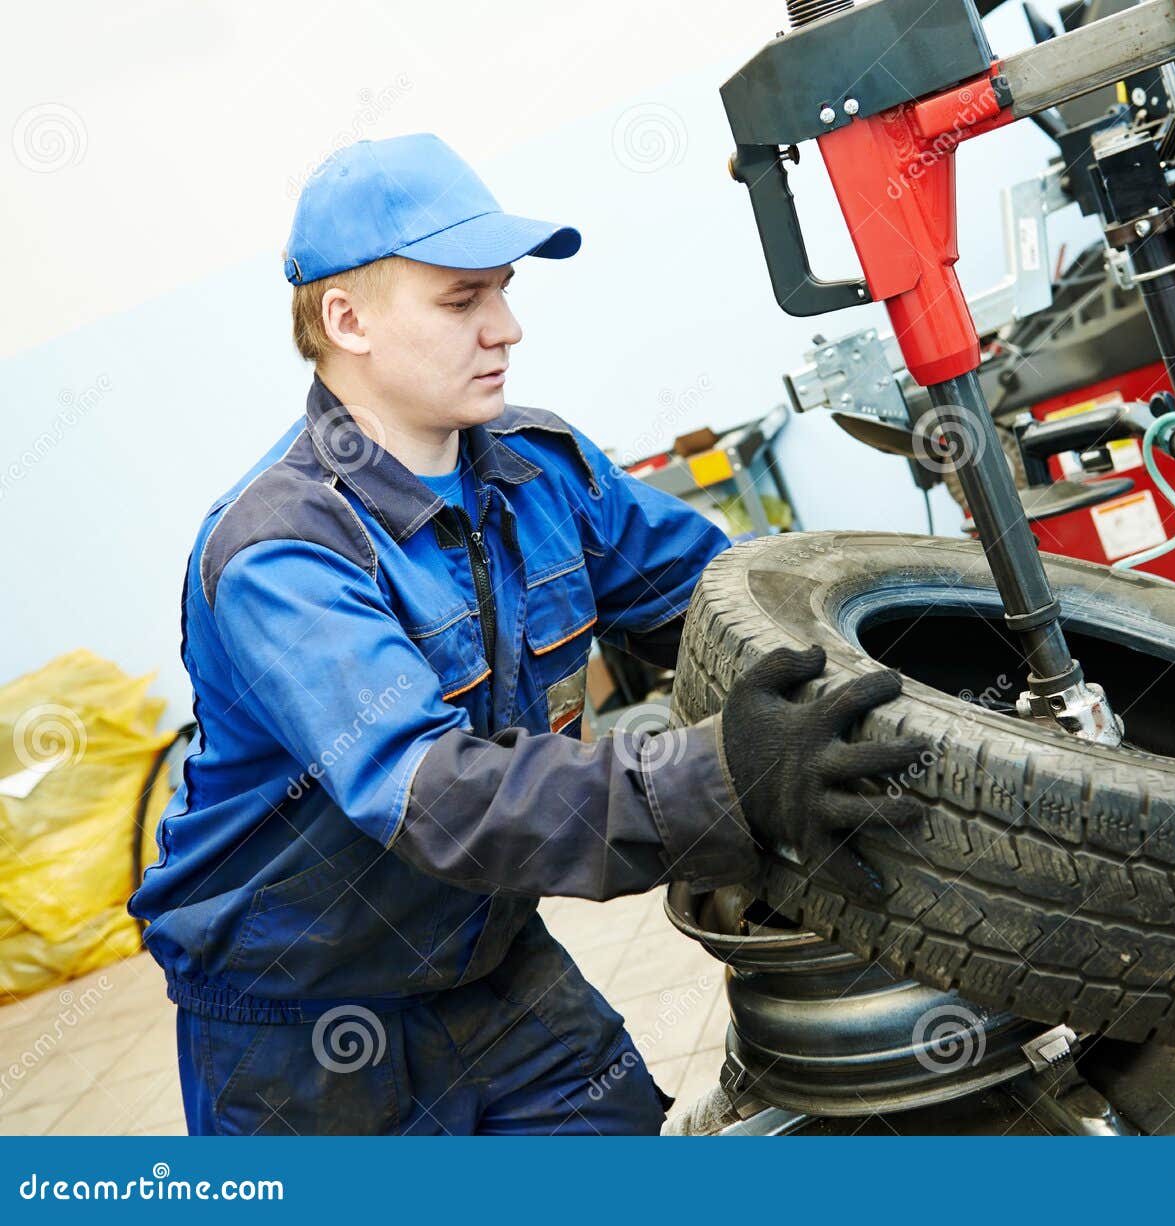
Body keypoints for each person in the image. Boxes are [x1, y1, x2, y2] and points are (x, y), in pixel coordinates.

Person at [129, 133, 926, 1135]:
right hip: (299, 1032)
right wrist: (720, 779)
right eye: (462, 301)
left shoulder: (542, 470)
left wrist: (897, 669)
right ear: (347, 319)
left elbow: (727, 599)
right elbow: (429, 792)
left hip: (494, 968)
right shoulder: (283, 550)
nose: (505, 327)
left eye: (502, 291)